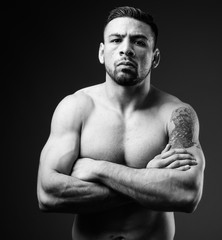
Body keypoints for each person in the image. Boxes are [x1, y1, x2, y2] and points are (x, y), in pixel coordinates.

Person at [36, 6, 205, 240]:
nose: (126, 50)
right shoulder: (75, 107)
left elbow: (186, 195)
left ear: (155, 57)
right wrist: (147, 177)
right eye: (116, 40)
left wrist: (99, 169)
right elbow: (47, 194)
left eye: (139, 42)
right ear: (101, 53)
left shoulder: (177, 115)